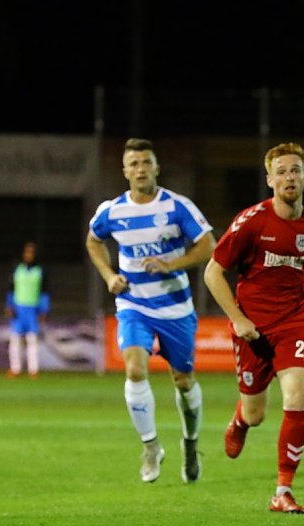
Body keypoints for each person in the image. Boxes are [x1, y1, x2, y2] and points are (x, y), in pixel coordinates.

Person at [204, 142, 304, 514]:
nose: (289, 177)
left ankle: (282, 490)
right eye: (281, 171)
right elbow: (213, 272)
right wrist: (237, 318)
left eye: (296, 170)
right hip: (252, 328)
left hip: (295, 324)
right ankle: (240, 419)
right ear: (269, 179)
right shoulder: (251, 221)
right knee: (256, 414)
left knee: (297, 397)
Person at [85, 138, 216, 484]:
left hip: (174, 307)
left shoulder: (177, 207)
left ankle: (190, 444)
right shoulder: (112, 211)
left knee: (183, 381)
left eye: (146, 162)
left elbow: (207, 245)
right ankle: (150, 446)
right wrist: (109, 275)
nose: (141, 169)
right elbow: (93, 240)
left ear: (156, 167)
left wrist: (173, 261)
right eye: (134, 164)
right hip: (134, 305)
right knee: (134, 370)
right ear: (125, 171)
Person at [4, 241, 50, 379]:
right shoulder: (17, 269)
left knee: (32, 340)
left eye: (31, 252)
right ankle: (15, 369)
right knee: (15, 340)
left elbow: (44, 292)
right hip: (18, 309)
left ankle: (33, 370)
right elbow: (10, 290)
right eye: (27, 252)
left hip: (32, 310)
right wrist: (9, 306)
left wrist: (44, 310)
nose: (29, 255)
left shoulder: (40, 271)